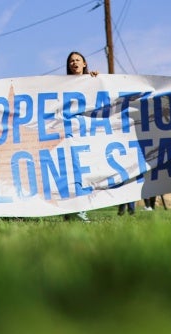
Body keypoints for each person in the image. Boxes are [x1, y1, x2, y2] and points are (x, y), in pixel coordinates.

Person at [63, 51, 97, 223]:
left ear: (84, 64)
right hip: (68, 135)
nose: (74, 63)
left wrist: (97, 79)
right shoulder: (61, 85)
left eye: (78, 60)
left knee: (85, 174)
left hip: (87, 135)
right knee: (72, 174)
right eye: (71, 61)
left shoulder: (93, 81)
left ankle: (80, 210)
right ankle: (71, 210)